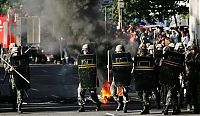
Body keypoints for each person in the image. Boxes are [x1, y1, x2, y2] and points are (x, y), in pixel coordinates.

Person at [3, 43, 30, 113]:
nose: (16, 54)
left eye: (17, 52)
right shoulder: (9, 58)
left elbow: (26, 69)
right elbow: (6, 68)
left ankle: (19, 107)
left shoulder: (22, 59)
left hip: (20, 79)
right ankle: (14, 106)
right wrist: (9, 69)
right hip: (12, 79)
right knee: (13, 93)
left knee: (20, 93)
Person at [77, 44, 101, 112]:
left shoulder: (93, 58)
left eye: (86, 50)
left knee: (93, 95)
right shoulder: (82, 59)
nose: (85, 52)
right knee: (80, 92)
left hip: (92, 79)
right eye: (84, 50)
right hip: (84, 79)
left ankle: (98, 104)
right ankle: (82, 106)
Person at [160, 43, 182, 115]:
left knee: (171, 93)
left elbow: (179, 68)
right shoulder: (164, 59)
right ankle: (173, 108)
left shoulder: (176, 58)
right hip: (166, 79)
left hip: (173, 78)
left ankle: (169, 108)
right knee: (170, 94)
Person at [110, 44, 132, 113]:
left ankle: (125, 104)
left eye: (119, 52)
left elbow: (130, 67)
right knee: (113, 91)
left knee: (124, 92)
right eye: (117, 52)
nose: (118, 53)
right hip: (116, 77)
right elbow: (113, 68)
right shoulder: (115, 59)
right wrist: (110, 67)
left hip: (124, 77)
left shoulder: (127, 58)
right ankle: (120, 102)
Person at [185, 44, 200, 114]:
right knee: (192, 93)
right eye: (192, 49)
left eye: (194, 49)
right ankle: (194, 107)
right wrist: (193, 61)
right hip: (191, 76)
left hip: (198, 76)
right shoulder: (189, 55)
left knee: (198, 93)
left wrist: (193, 62)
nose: (193, 51)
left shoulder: (198, 55)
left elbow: (198, 63)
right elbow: (187, 62)